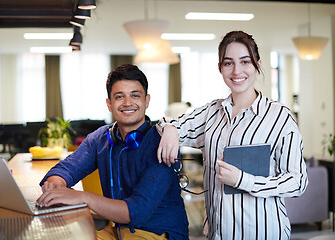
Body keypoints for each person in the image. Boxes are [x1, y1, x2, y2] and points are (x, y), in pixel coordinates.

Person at [156, 31, 308, 240]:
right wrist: (170, 129)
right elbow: (166, 124)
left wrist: (244, 180)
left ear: (257, 65)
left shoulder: (279, 117)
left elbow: (297, 182)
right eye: (228, 63)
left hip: (263, 233)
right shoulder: (211, 112)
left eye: (245, 61)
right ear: (220, 68)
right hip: (220, 234)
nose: (237, 70)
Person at [36, 64, 189, 240]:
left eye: (135, 95)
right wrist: (56, 183)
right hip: (119, 232)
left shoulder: (163, 143)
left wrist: (81, 197)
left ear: (146, 101)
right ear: (109, 104)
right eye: (119, 97)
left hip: (159, 234)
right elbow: (67, 168)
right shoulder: (102, 137)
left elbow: (136, 212)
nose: (127, 103)